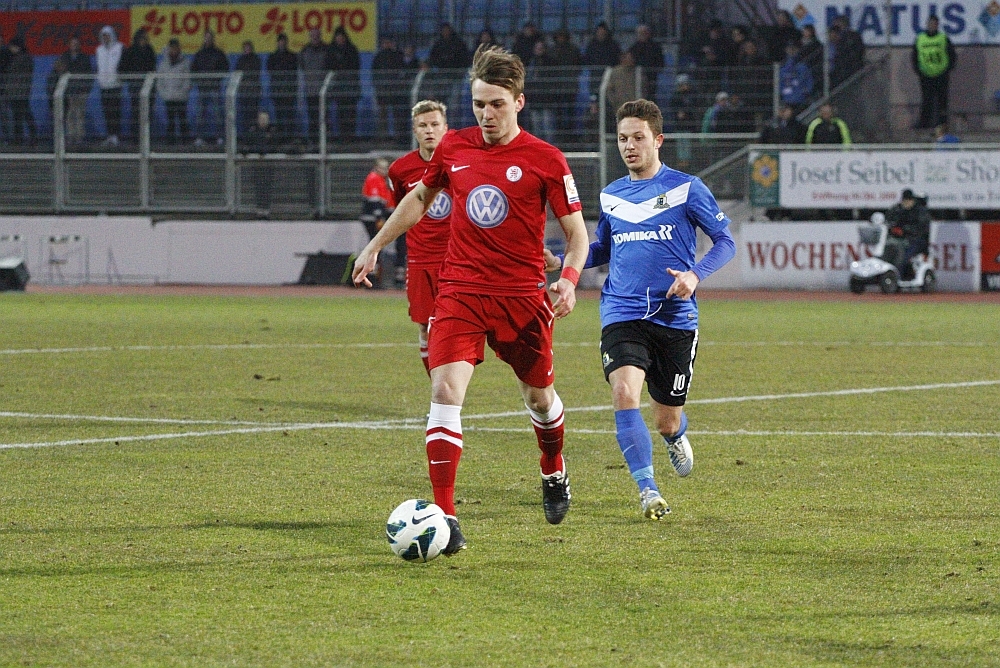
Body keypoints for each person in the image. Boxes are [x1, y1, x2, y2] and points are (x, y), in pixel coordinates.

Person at [352, 45, 590, 553]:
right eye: (479, 103)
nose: (486, 114)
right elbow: (419, 199)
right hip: (460, 290)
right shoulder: (454, 148)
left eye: (497, 104)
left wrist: (568, 279)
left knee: (539, 399)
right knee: (444, 393)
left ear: (519, 102)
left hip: (521, 297)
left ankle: (553, 469)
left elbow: (577, 236)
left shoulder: (545, 159)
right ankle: (446, 516)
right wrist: (376, 245)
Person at [545, 99, 734, 519]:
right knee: (624, 391)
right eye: (623, 139)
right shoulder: (612, 194)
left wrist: (695, 275)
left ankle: (673, 436)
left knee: (667, 419)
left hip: (675, 318)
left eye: (638, 138)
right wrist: (564, 261)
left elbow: (726, 241)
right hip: (622, 312)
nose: (629, 146)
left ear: (658, 140)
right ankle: (648, 490)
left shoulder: (686, 188)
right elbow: (603, 248)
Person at [386, 99, 452, 372]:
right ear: (414, 131)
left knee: (458, 328)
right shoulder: (400, 170)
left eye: (435, 124)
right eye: (423, 125)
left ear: (445, 128)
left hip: (457, 260)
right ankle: (438, 395)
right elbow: (404, 210)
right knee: (426, 328)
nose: (429, 131)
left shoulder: (460, 163)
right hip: (421, 260)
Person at [912, 15, 956, 130]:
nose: (932, 26)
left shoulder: (943, 38)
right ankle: (924, 124)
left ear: (937, 25)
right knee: (926, 100)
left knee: (942, 100)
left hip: (941, 74)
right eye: (930, 23)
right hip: (925, 75)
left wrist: (947, 70)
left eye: (934, 24)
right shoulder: (920, 38)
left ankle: (942, 125)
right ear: (927, 24)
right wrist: (919, 71)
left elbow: (952, 55)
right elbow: (915, 56)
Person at [190, 29, 229, 146]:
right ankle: (200, 137)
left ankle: (220, 137)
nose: (208, 39)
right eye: (206, 37)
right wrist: (199, 80)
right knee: (200, 113)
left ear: (213, 39)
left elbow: (225, 67)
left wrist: (216, 79)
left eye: (209, 37)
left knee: (217, 113)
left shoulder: (218, 53)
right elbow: (193, 69)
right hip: (202, 87)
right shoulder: (199, 54)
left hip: (215, 87)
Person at [359, 156, 394, 287]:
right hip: (372, 219)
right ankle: (371, 277)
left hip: (372, 219)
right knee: (375, 248)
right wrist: (379, 219)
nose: (385, 171)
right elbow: (375, 202)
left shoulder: (379, 179)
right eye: (383, 168)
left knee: (375, 247)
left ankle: (372, 276)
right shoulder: (374, 178)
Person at [884, 188, 931, 279]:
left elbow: (920, 230)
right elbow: (888, 220)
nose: (906, 202)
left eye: (909, 200)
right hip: (900, 241)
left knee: (902, 256)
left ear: (913, 200)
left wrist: (904, 230)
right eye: (904, 200)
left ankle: (899, 277)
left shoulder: (920, 212)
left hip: (916, 241)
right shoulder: (898, 209)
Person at [118, 28, 156, 140]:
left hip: (149, 87)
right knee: (136, 113)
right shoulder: (130, 51)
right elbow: (122, 68)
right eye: (143, 38)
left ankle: (147, 138)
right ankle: (136, 138)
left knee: (148, 113)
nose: (145, 40)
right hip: (135, 87)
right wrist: (131, 78)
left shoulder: (149, 50)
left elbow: (152, 67)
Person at [548, 28, 582, 143]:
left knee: (570, 112)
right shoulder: (552, 50)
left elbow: (579, 66)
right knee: (558, 113)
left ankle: (571, 137)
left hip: (570, 86)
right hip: (557, 87)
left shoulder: (573, 50)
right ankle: (559, 137)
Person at [156, 39, 191, 144]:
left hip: (181, 97)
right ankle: (170, 143)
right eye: (172, 48)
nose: (174, 50)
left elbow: (187, 79)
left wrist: (183, 92)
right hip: (169, 97)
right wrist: (164, 94)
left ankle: (185, 142)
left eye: (176, 47)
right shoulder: (163, 63)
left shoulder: (185, 62)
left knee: (182, 120)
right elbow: (160, 81)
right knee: (170, 121)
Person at [328, 26, 360, 140]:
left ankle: (351, 136)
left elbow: (356, 67)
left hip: (350, 88)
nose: (340, 39)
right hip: (338, 89)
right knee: (340, 113)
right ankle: (342, 136)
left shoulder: (352, 50)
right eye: (338, 37)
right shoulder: (331, 51)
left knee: (351, 113)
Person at [299, 28, 330, 144]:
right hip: (310, 89)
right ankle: (314, 141)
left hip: (323, 90)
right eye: (313, 35)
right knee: (312, 117)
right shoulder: (305, 50)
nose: (315, 37)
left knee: (323, 117)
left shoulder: (326, 49)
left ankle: (324, 141)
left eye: (317, 35)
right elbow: (302, 67)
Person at [61, 36, 93, 147]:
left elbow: (89, 74)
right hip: (69, 90)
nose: (74, 45)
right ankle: (70, 136)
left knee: (80, 114)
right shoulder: (64, 57)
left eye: (76, 43)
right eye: (72, 43)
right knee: (70, 114)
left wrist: (86, 89)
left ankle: (79, 137)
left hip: (81, 90)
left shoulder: (84, 58)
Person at [372, 37, 406, 140]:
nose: (387, 45)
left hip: (395, 90)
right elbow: (374, 73)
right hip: (382, 90)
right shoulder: (378, 57)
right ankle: (383, 137)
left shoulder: (397, 55)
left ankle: (398, 136)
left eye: (389, 42)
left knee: (397, 114)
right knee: (382, 114)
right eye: (385, 42)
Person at [267, 33, 298, 142]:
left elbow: (294, 74)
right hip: (277, 92)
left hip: (288, 92)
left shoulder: (292, 56)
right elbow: (270, 72)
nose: (282, 43)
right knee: (279, 116)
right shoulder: (273, 57)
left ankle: (289, 137)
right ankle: (280, 139)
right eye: (280, 41)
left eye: (283, 41)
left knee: (289, 116)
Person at [5, 37, 36, 146]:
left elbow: (13, 72)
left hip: (20, 91)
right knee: (18, 116)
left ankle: (31, 137)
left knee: (24, 115)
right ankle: (20, 138)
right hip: (16, 91)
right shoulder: (21, 58)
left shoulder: (23, 58)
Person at [525, 39, 557, 142]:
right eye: (537, 48)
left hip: (547, 100)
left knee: (548, 128)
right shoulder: (531, 63)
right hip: (535, 100)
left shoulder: (550, 62)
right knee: (536, 129)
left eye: (541, 48)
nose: (539, 50)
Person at [244, 110, 275, 216]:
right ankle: (259, 209)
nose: (263, 121)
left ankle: (266, 210)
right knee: (258, 187)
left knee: (266, 187)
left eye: (265, 119)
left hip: (268, 166)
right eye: (261, 119)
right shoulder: (253, 131)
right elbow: (249, 144)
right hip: (257, 165)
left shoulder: (272, 131)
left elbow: (274, 146)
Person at [96, 26, 123, 146]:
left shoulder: (119, 47)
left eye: (107, 36)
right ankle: (109, 135)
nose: (106, 38)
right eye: (104, 36)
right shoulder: (99, 50)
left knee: (115, 112)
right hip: (103, 85)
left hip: (115, 84)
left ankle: (115, 135)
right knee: (107, 112)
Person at [629, 25, 663, 102]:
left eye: (644, 33)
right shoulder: (634, 48)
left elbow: (660, 63)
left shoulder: (656, 47)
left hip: (651, 78)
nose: (642, 35)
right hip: (636, 78)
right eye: (640, 33)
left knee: (650, 98)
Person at [234, 41, 262, 138]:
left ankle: (253, 134)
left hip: (253, 92)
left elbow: (255, 74)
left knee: (253, 114)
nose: (247, 50)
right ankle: (246, 136)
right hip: (244, 92)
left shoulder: (255, 59)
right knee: (245, 115)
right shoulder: (241, 60)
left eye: (248, 48)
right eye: (245, 48)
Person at [779, 41, 814, 110]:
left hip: (801, 100)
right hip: (787, 100)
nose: (791, 51)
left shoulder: (803, 67)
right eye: (789, 49)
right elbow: (780, 84)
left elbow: (809, 82)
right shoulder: (782, 69)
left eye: (793, 49)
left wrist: (805, 92)